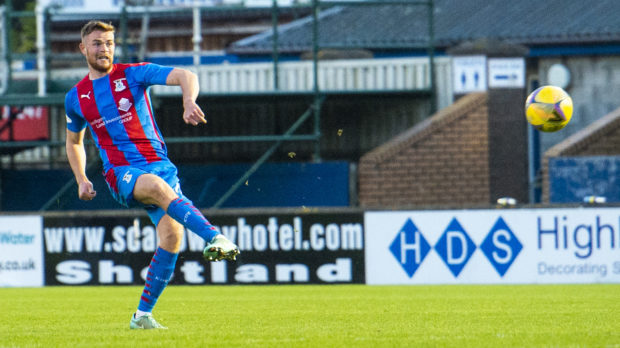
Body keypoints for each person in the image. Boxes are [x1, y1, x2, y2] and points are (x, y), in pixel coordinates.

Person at [64, 20, 240, 330]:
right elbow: (73, 142)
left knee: (172, 237)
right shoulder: (76, 97)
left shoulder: (133, 73)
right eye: (96, 43)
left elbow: (186, 75)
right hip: (121, 174)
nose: (103, 48)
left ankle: (141, 316)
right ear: (83, 48)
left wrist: (188, 100)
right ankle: (215, 236)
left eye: (108, 42)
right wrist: (81, 178)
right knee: (158, 189)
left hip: (160, 166)